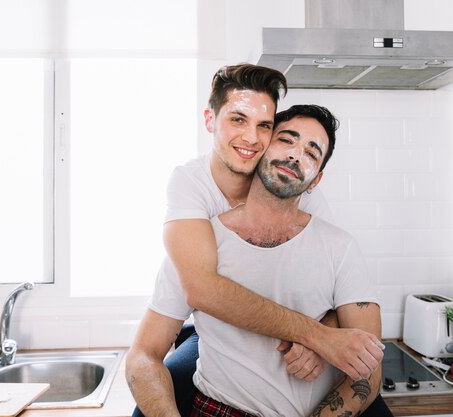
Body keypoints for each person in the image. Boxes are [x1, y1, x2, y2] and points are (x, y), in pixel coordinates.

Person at [131, 64, 390, 416]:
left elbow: (365, 361)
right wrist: (319, 337)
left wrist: (324, 335)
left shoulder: (336, 242)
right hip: (213, 373)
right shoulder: (193, 203)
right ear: (211, 121)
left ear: (316, 180)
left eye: (312, 152)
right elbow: (195, 295)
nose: (252, 139)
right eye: (287, 140)